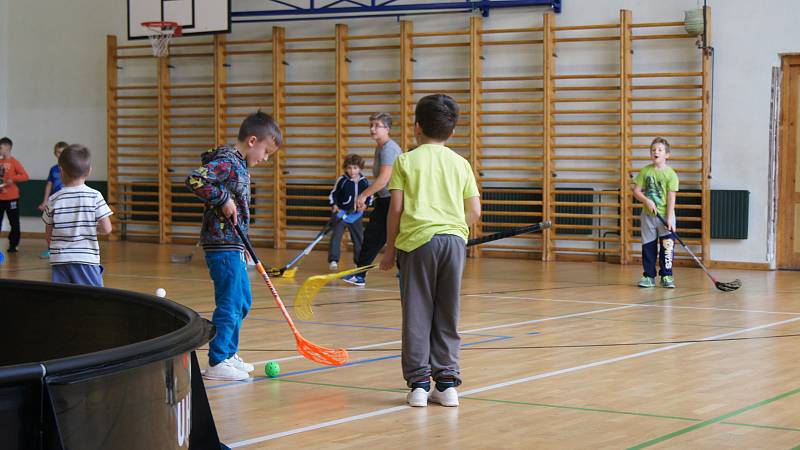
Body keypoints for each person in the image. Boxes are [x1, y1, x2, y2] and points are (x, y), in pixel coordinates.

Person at [379, 94, 481, 408]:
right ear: (451, 132)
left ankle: (420, 386)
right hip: (453, 244)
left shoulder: (406, 161)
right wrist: (454, 229)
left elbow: (395, 210)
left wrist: (390, 249)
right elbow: (475, 211)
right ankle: (448, 384)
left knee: (417, 314)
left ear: (416, 127)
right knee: (447, 313)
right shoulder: (460, 163)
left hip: (417, 244)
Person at [186, 111, 282, 381]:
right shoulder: (227, 162)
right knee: (229, 302)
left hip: (234, 244)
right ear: (253, 140)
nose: (265, 159)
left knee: (243, 301)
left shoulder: (240, 165)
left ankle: (229, 353)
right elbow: (195, 179)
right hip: (221, 245)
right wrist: (222, 198)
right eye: (266, 152)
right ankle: (217, 361)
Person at [341, 112, 403, 287]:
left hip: (393, 201)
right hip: (384, 199)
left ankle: (360, 274)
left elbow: (384, 179)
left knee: (377, 236)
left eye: (377, 125)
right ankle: (360, 274)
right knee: (375, 236)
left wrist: (364, 195)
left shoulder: (389, 149)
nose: (372, 128)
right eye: (371, 125)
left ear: (387, 129)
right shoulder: (381, 148)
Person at [42, 144, 113, 286]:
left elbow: (48, 235)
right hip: (85, 259)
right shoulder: (95, 196)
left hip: (59, 260)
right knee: (93, 299)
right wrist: (93, 228)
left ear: (61, 171)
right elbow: (107, 228)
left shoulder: (53, 199)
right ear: (89, 171)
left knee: (63, 299)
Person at [633, 137, 679, 288]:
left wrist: (670, 217)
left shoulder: (671, 174)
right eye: (653, 150)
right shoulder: (645, 171)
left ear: (667, 155)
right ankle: (648, 276)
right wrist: (646, 200)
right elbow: (636, 192)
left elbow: (671, 196)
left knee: (667, 246)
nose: (656, 152)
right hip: (648, 216)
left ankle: (667, 276)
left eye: (659, 150)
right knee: (648, 247)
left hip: (665, 216)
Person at [327, 154, 371, 270]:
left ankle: (358, 262)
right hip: (341, 213)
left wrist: (365, 206)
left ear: (360, 168)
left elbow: (369, 196)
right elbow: (333, 194)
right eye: (349, 168)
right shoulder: (342, 180)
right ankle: (333, 260)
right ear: (346, 168)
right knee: (336, 237)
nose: (352, 171)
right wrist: (334, 205)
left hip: (355, 215)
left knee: (359, 239)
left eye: (355, 168)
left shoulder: (364, 181)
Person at [39, 141, 69, 258]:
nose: (60, 154)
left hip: (66, 201)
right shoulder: (53, 169)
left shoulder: (70, 168)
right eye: (58, 152)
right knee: (50, 225)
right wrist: (45, 201)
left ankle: (65, 248)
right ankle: (50, 249)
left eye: (62, 152)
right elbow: (49, 185)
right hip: (54, 201)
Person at [0, 137, 30, 253]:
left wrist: (13, 179)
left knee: (14, 222)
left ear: (8, 147)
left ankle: (13, 245)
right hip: (0, 198)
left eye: (0, 147)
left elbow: (25, 176)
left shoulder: (14, 162)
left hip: (12, 198)